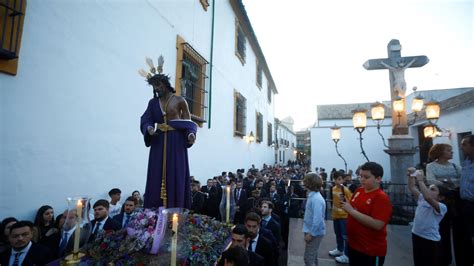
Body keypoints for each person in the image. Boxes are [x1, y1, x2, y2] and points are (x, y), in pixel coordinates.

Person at [140, 58, 197, 209]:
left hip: (176, 141)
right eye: (154, 86)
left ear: (165, 84)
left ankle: (176, 211)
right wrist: (149, 129)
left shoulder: (179, 100)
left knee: (176, 173)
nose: (156, 88)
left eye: (158, 85)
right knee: (156, 175)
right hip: (158, 141)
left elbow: (188, 122)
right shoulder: (153, 103)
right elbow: (146, 119)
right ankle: (155, 213)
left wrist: (191, 134)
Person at [341, 162, 392, 266]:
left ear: (378, 179)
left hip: (370, 250)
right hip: (354, 246)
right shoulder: (359, 190)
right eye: (360, 176)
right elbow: (353, 208)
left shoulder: (381, 198)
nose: (362, 179)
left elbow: (378, 224)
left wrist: (351, 211)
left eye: (366, 177)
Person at [425, 143, 462, 266]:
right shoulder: (431, 166)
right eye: (448, 150)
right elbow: (430, 180)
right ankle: (444, 258)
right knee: (443, 230)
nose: (451, 153)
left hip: (456, 201)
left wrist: (443, 181)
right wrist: (449, 181)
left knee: (459, 231)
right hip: (441, 200)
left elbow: (462, 180)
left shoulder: (455, 166)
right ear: (440, 152)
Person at [407, 167, 447, 266]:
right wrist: (411, 176)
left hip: (430, 239)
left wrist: (420, 180)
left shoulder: (442, 207)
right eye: (429, 188)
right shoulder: (422, 199)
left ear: (441, 197)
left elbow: (428, 197)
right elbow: (412, 187)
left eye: (432, 189)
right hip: (416, 234)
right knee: (418, 261)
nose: (429, 190)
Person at [302, 172, 326, 266]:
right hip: (311, 230)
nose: (304, 182)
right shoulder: (313, 196)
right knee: (312, 257)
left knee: (308, 259)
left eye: (305, 181)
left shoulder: (316, 199)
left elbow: (317, 219)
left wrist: (311, 234)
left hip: (313, 232)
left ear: (310, 183)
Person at [329, 171, 352, 264]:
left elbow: (350, 200)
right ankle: (339, 249)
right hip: (335, 215)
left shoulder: (345, 190)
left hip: (344, 216)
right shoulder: (333, 188)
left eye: (339, 179)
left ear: (343, 179)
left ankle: (346, 255)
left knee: (345, 235)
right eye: (335, 179)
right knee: (337, 233)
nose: (337, 181)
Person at [459, 134, 474, 265]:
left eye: (464, 144)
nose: (461, 147)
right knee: (466, 235)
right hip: (465, 204)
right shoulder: (466, 161)